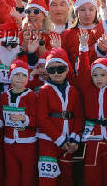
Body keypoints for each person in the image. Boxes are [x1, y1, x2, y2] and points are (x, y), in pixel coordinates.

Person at [77, 29, 107, 186]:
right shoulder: (88, 90)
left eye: (103, 75)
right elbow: (82, 71)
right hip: (93, 135)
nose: (98, 78)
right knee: (92, 171)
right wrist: (83, 47)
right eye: (95, 75)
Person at [37, 48, 83, 186]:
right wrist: (59, 140)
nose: (56, 73)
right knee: (47, 178)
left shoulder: (73, 91)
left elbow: (79, 116)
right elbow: (42, 119)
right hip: (48, 142)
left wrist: (75, 138)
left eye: (60, 68)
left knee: (67, 177)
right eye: (51, 70)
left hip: (68, 142)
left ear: (67, 69)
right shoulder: (44, 91)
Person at [0, 59, 38, 186]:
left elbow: (37, 120)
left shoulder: (31, 96)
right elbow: (3, 119)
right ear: (10, 76)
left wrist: (24, 119)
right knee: (12, 176)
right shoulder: (4, 96)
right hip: (9, 143)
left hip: (27, 144)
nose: (20, 78)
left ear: (28, 78)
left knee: (27, 176)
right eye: (16, 75)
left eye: (24, 75)